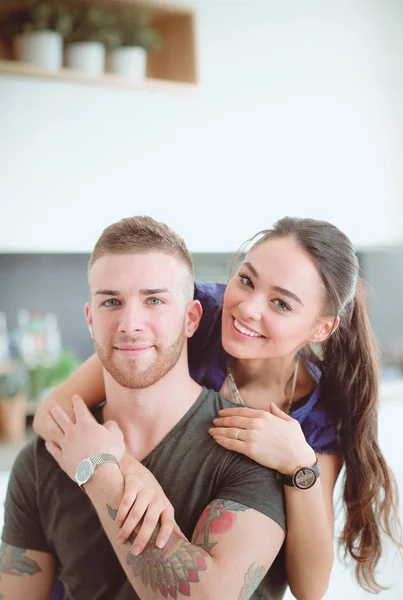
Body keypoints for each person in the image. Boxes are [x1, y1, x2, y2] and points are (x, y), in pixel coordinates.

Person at [34, 215, 402, 598]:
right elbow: (54, 411)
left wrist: (300, 465)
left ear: (321, 328)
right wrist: (126, 467)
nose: (246, 308)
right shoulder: (195, 315)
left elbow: (310, 587)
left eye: (280, 303)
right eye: (246, 280)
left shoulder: (321, 410)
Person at [1, 216, 287, 600]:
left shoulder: (249, 450)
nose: (130, 323)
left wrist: (98, 471)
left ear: (191, 318)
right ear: (90, 319)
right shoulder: (42, 458)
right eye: (111, 301)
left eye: (154, 300)